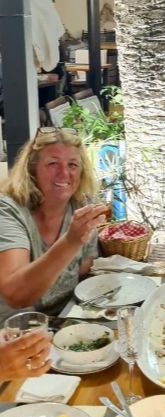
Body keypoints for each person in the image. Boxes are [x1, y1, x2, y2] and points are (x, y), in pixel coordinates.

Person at [0, 127, 107, 324]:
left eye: (72, 164)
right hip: (15, 333)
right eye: (52, 163)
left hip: (65, 322)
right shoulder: (7, 209)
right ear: (32, 169)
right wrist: (70, 241)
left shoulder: (80, 206)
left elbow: (84, 268)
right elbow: (16, 295)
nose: (64, 173)